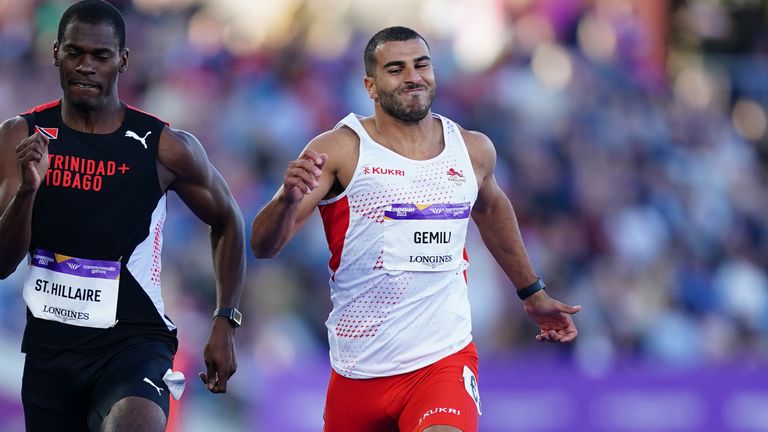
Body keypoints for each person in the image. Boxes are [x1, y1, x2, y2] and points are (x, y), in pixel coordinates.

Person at [250, 26, 582, 432]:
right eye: (396, 69)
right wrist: (286, 200)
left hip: (442, 361)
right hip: (358, 369)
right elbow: (264, 245)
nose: (413, 76)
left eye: (421, 65)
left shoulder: (471, 149)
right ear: (370, 86)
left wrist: (533, 293)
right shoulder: (339, 149)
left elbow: (492, 208)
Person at [0, 1, 246, 431]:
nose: (86, 67)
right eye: (75, 53)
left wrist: (225, 318)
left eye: (101, 56)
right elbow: (2, 264)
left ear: (123, 60)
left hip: (134, 341)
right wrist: (27, 190)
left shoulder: (165, 147)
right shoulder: (21, 137)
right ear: (55, 52)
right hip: (50, 350)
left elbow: (227, 218)